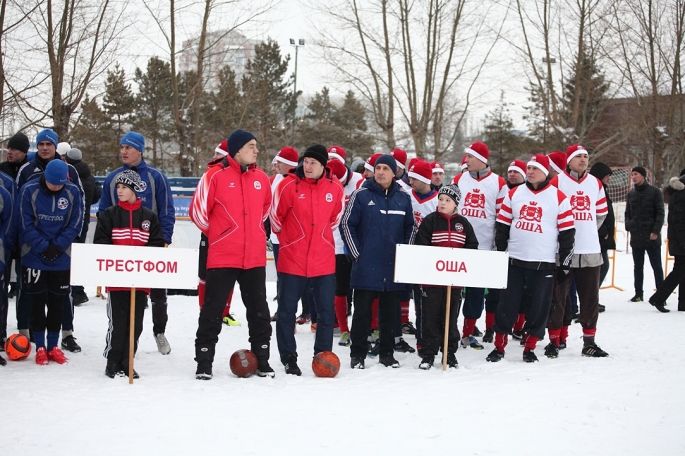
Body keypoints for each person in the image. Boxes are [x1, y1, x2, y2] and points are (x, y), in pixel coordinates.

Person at [190, 129, 274, 380]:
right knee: (213, 310)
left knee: (259, 311)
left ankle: (263, 360)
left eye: (256, 146)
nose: (256, 150)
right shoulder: (214, 175)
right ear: (237, 150)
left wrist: (252, 234)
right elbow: (198, 213)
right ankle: (204, 362)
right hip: (223, 255)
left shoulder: (262, 178)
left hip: (254, 258)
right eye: (251, 146)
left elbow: (265, 210)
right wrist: (222, 235)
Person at [487, 154, 575, 363]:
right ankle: (499, 347)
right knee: (506, 305)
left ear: (545, 173)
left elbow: (567, 233)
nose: (530, 171)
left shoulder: (559, 197)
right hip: (515, 261)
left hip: (543, 263)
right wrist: (501, 252)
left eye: (535, 169)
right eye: (529, 168)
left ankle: (530, 347)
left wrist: (565, 263)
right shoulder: (515, 193)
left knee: (539, 307)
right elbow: (502, 226)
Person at [99, 131, 175, 355]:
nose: (123, 151)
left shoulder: (155, 177)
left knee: (158, 293)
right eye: (121, 147)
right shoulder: (113, 178)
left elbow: (166, 210)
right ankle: (119, 343)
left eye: (128, 147)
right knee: (122, 295)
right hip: (121, 248)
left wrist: (164, 240)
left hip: (149, 244)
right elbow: (104, 212)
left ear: (140, 151)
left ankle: (159, 331)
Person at [270, 145, 344, 375]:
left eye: (314, 162)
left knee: (325, 313)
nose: (308, 166)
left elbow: (335, 219)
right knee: (286, 312)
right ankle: (289, 358)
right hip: (292, 260)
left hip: (323, 261)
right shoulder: (287, 185)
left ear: (324, 166)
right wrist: (292, 240)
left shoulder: (335, 188)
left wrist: (319, 238)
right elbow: (275, 218)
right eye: (306, 162)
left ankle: (322, 356)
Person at [341, 155, 415, 369]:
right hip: (366, 266)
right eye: (378, 168)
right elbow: (347, 224)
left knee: (390, 315)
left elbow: (411, 227)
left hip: (392, 267)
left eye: (385, 168)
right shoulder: (361, 195)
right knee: (362, 314)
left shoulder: (403, 198)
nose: (380, 172)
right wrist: (357, 254)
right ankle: (358, 355)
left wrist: (405, 253)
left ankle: (387, 354)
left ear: (394, 173)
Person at [16, 128, 84, 354]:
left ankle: (59, 340)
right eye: (41, 144)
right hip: (34, 254)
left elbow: (76, 220)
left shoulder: (72, 185)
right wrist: (43, 246)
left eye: (49, 144)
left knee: (59, 300)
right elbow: (25, 220)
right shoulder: (29, 185)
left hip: (61, 254)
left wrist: (59, 246)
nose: (45, 148)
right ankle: (36, 343)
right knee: (33, 299)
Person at [94, 170, 164, 378]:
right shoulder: (109, 214)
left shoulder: (149, 217)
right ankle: (113, 360)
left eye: (124, 187)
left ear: (134, 190)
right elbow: (101, 242)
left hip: (139, 282)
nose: (120, 191)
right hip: (117, 282)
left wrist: (141, 259)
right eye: (118, 187)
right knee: (118, 322)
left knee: (136, 323)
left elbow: (156, 244)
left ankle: (128, 359)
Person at [546, 144, 609, 358]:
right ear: (569, 160)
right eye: (578, 156)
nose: (583, 159)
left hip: (590, 250)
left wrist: (586, 231)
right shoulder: (557, 182)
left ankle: (589, 342)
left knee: (589, 299)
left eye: (585, 156)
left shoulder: (596, 183)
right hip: (563, 250)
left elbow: (601, 215)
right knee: (558, 298)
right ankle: (555, 340)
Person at [412, 184, 477, 369]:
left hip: (454, 282)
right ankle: (428, 354)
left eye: (447, 200)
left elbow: (472, 247)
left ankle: (449, 353)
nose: (442, 203)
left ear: (455, 204)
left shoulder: (463, 224)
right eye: (440, 199)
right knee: (430, 317)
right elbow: (421, 245)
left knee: (450, 316)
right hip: (432, 282)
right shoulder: (430, 221)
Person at [452, 141, 506, 349]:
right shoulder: (459, 179)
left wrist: (498, 246)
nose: (467, 160)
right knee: (455, 292)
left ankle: (469, 332)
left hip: (484, 248)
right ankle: (451, 329)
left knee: (476, 295)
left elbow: (502, 218)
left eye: (471, 157)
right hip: (459, 246)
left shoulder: (498, 183)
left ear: (482, 160)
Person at [326, 157, 363, 347]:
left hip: (357, 242)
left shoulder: (359, 180)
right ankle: (343, 329)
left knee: (361, 289)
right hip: (337, 243)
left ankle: (363, 327)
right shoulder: (326, 182)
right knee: (340, 288)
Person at [65, 147, 101, 306]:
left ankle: (75, 291)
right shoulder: (90, 177)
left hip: (70, 221)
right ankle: (78, 291)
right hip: (84, 221)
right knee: (78, 256)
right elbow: (96, 195)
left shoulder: (70, 175)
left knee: (67, 256)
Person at [625, 166, 665, 303]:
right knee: (638, 266)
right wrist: (628, 225)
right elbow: (627, 213)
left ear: (643, 175)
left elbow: (660, 213)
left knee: (657, 266)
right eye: (632, 175)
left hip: (651, 236)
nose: (633, 177)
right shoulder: (631, 194)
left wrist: (655, 231)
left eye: (636, 174)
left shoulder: (655, 192)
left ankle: (661, 295)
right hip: (636, 236)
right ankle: (638, 293)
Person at [648, 169, 685, 312]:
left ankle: (682, 303)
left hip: (678, 240)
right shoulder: (682, 195)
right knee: (678, 271)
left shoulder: (677, 194)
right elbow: (679, 222)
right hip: (681, 241)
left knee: (681, 271)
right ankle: (658, 298)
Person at [589, 162, 615, 313]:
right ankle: (590, 299)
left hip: (603, 237)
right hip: (597, 237)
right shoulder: (595, 190)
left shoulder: (603, 189)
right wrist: (603, 230)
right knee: (601, 267)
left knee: (602, 267)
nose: (609, 179)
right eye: (607, 176)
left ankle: (593, 298)